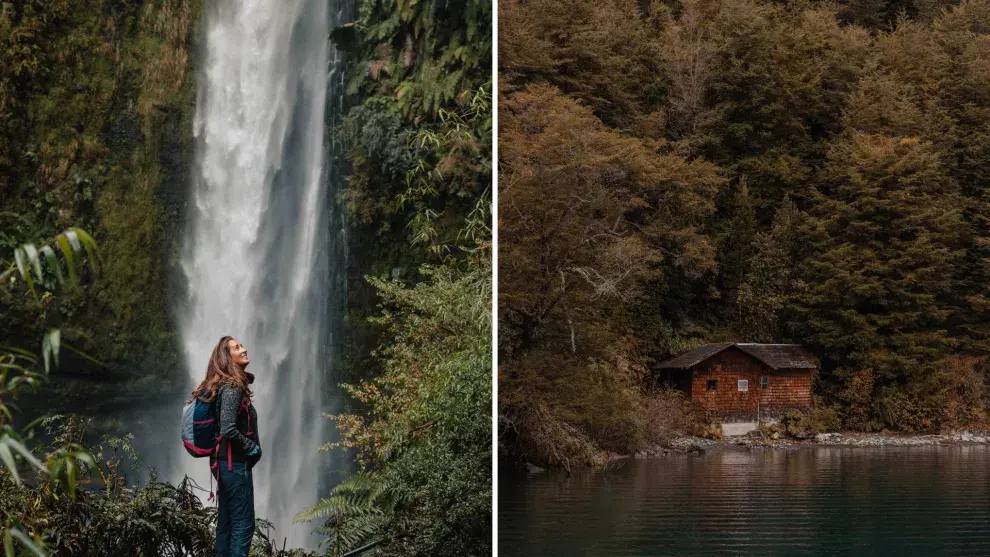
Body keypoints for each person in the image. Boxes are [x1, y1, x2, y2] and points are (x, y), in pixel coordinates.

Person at [189, 335, 262, 557]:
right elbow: (228, 428)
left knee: (227, 524)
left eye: (242, 345)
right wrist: (252, 447)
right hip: (234, 465)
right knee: (243, 526)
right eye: (237, 348)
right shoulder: (232, 387)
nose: (244, 349)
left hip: (225, 464)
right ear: (226, 357)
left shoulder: (224, 385)